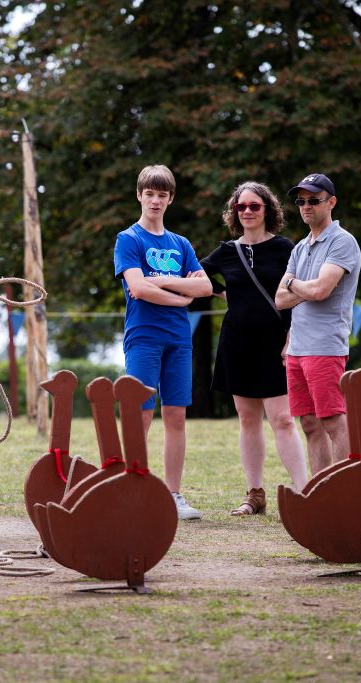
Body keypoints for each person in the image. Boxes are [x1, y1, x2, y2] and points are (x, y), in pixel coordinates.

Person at [200, 182, 308, 515]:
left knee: (283, 420)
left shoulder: (284, 249)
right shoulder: (227, 251)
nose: (247, 211)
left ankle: (304, 492)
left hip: (276, 342)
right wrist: (220, 293)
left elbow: (299, 296)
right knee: (248, 420)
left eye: (254, 206)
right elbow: (197, 272)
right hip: (237, 342)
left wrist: (292, 336)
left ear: (267, 210)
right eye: (241, 207)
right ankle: (254, 494)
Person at [113, 164, 213, 520]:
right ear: (139, 195)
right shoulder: (129, 239)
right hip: (143, 337)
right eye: (150, 194)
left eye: (162, 195)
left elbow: (205, 287)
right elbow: (137, 288)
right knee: (140, 416)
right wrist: (179, 294)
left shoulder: (181, 243)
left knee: (176, 416)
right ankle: (134, 488)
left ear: (170, 199)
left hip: (178, 340)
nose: (155, 200)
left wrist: (163, 285)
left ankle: (173, 494)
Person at [275, 173, 361, 476]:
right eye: (301, 201)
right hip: (297, 348)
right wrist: (301, 288)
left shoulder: (343, 241)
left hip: (325, 346)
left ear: (331, 202)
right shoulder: (300, 247)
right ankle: (321, 491)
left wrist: (293, 283)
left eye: (314, 200)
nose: (306, 206)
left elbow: (320, 291)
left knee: (332, 421)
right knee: (310, 424)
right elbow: (279, 300)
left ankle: (345, 491)